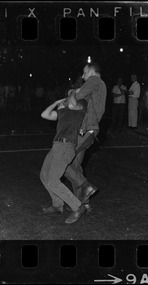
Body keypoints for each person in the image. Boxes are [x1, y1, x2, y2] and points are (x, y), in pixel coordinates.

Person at [40, 91, 94, 224]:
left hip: (66, 146)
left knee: (53, 180)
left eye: (72, 93)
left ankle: (78, 207)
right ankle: (58, 205)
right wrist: (56, 103)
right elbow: (44, 114)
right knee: (44, 175)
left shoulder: (81, 106)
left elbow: (71, 102)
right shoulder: (63, 111)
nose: (70, 94)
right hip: (56, 146)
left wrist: (73, 94)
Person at [64, 62, 107, 212]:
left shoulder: (94, 81)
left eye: (84, 73)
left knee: (64, 163)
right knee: (75, 165)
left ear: (91, 71)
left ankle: (86, 187)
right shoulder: (100, 85)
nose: (83, 76)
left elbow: (78, 95)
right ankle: (82, 203)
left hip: (86, 129)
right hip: (89, 129)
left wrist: (71, 92)